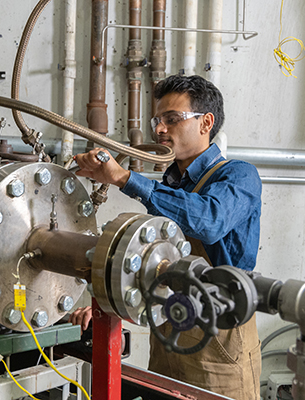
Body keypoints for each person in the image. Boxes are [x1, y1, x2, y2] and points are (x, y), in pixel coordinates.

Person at [69, 74, 262, 400]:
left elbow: (208, 221)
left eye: (172, 119)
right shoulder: (171, 187)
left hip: (218, 339)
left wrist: (126, 178)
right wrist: (107, 305)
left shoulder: (238, 176)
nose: (159, 129)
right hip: (169, 331)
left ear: (206, 123)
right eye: (158, 120)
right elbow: (154, 264)